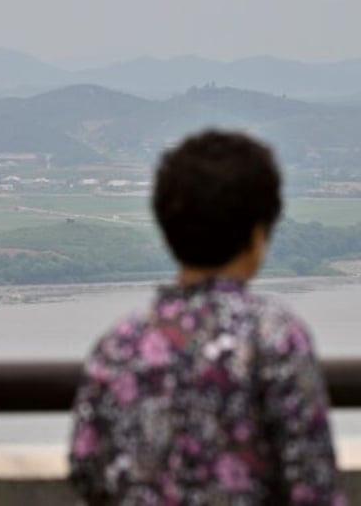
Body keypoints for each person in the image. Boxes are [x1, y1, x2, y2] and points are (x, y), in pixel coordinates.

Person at [68, 131, 345, 504]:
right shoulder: (274, 336)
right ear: (257, 234)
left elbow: (86, 464)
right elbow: (312, 482)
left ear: (167, 228)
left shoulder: (119, 343)